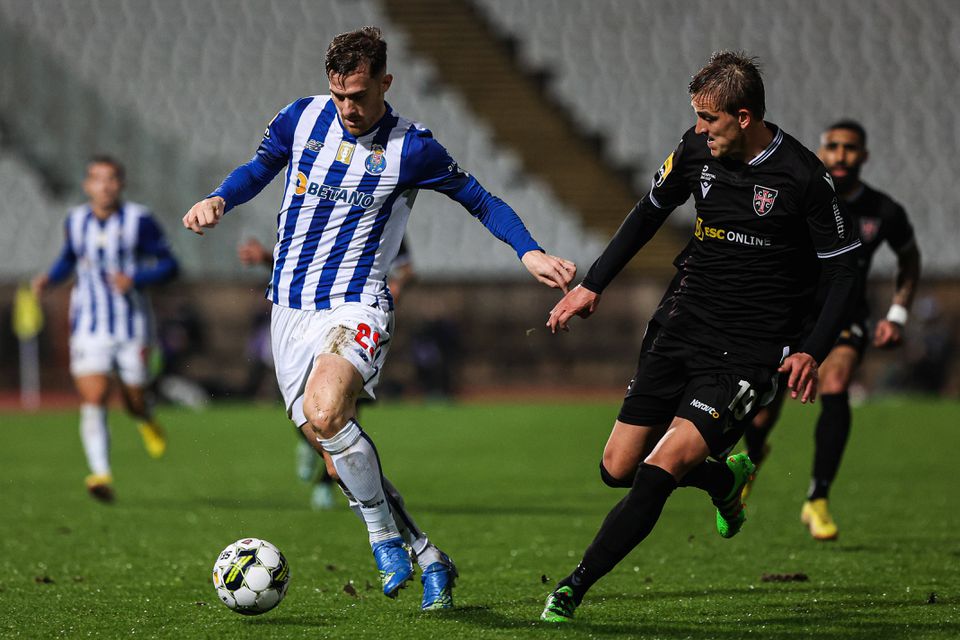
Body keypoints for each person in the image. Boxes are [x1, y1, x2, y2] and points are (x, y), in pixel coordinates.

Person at [183, 27, 576, 610]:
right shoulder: (299, 119)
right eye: (339, 95)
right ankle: (428, 555)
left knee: (326, 410)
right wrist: (221, 198)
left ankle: (381, 537)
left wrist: (530, 251)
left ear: (385, 83)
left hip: (357, 300)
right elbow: (259, 167)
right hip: (288, 309)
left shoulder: (413, 149)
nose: (348, 108)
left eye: (359, 95)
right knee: (335, 450)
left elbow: (482, 200)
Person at [538, 51, 861, 623]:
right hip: (682, 323)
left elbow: (843, 268)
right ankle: (723, 477)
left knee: (661, 471)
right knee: (617, 468)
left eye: (707, 118)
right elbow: (646, 214)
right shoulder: (693, 153)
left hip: (750, 349)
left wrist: (813, 347)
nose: (697, 128)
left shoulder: (805, 178)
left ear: (742, 116)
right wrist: (593, 285)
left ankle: (573, 586)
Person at [741, 120, 921, 540]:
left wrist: (896, 315)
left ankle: (817, 498)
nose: (841, 155)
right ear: (821, 151)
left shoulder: (884, 211)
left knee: (836, 380)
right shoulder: (804, 193)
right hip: (790, 314)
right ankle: (752, 457)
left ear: (864, 156)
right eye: (833, 146)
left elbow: (909, 259)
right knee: (763, 407)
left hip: (844, 316)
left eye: (850, 148)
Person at [32, 155, 178, 503]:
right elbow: (70, 256)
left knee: (134, 399)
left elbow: (171, 265)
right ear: (87, 185)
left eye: (111, 179)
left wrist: (137, 279)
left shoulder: (139, 221)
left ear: (121, 184)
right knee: (94, 395)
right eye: (98, 179)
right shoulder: (76, 220)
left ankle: (146, 418)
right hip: (89, 326)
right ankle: (100, 473)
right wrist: (49, 279)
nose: (105, 186)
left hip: (132, 326)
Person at [237, 235, 416, 511]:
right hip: (309, 319)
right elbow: (294, 268)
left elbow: (407, 270)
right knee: (305, 407)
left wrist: (397, 285)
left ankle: (326, 483)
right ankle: (311, 447)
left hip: (354, 318)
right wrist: (265, 259)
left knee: (345, 409)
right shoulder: (318, 212)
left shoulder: (384, 210)